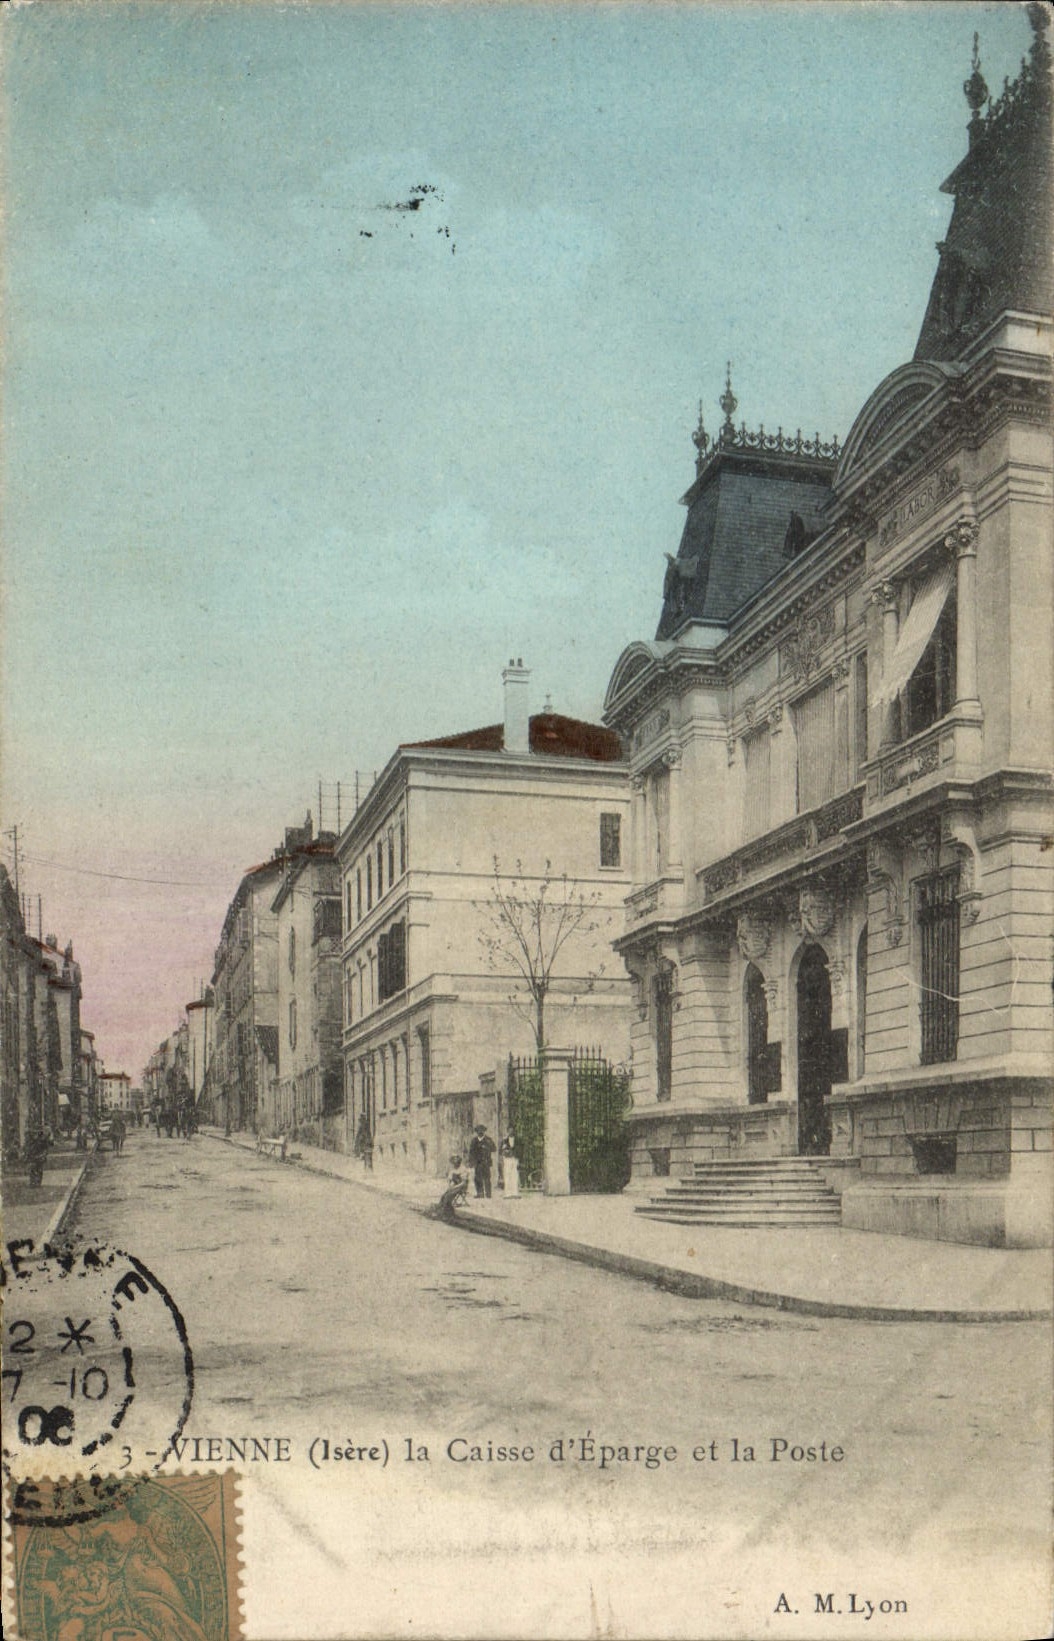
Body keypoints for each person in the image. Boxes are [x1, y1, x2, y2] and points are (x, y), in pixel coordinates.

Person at [468, 1123, 496, 1199]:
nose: (480, 1132)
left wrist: (487, 1147)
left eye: (482, 1130)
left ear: (484, 1131)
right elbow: (471, 1152)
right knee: (477, 1178)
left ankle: (488, 1193)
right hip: (477, 1162)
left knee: (487, 1178)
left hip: (486, 1162)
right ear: (476, 1132)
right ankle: (480, 1193)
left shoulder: (488, 1139)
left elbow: (494, 1149)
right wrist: (471, 1162)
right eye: (478, 1130)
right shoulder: (474, 1140)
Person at [437, 1156, 469, 1220]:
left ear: (459, 1162)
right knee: (444, 1196)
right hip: (454, 1186)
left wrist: (455, 1187)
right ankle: (444, 1212)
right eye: (453, 1162)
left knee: (448, 1196)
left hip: (461, 1186)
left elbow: (464, 1182)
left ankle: (446, 1213)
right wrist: (450, 1186)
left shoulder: (463, 1169)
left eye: (456, 1162)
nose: (455, 1164)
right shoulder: (453, 1169)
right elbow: (450, 1179)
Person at [500, 1134, 520, 1198]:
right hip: (507, 1158)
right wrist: (505, 1151)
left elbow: (520, 1149)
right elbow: (501, 1150)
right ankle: (507, 1193)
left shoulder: (517, 1140)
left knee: (515, 1175)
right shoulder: (504, 1140)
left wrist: (517, 1156)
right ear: (508, 1130)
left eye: (512, 1130)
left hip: (515, 1158)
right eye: (509, 1129)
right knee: (507, 1175)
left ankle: (515, 1193)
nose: (511, 1131)